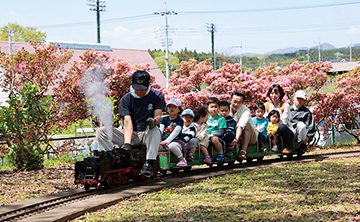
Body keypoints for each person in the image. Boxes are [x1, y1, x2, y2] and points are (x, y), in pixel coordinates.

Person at [96, 70, 165, 178]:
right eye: (136, 88)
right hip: (131, 134)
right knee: (102, 131)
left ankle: (149, 163)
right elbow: (128, 123)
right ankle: (107, 160)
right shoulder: (126, 99)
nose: (138, 91)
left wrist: (154, 121)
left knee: (155, 129)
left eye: (141, 89)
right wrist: (127, 143)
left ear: (148, 86)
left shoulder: (157, 95)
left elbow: (158, 116)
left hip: (147, 134)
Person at [264, 84, 294, 154]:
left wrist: (274, 130)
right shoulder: (266, 105)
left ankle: (288, 147)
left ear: (280, 94)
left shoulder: (285, 105)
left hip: (284, 130)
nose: (273, 95)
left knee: (282, 127)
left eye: (276, 93)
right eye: (272, 93)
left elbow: (284, 121)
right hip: (270, 129)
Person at [229, 91, 258, 160]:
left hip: (250, 136)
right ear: (230, 100)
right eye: (234, 101)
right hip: (235, 134)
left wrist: (236, 138)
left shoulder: (246, 111)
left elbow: (240, 125)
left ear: (242, 103)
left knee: (247, 124)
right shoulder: (226, 109)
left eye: (239, 102)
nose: (236, 104)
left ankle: (243, 151)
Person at [159, 98, 187, 167]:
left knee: (172, 146)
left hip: (177, 141)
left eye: (175, 107)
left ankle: (182, 159)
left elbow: (175, 132)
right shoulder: (164, 119)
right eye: (170, 107)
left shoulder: (179, 120)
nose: (172, 109)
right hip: (164, 142)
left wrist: (166, 141)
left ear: (179, 109)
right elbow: (160, 130)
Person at [207, 97, 227, 162]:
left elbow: (221, 133)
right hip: (205, 137)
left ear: (219, 108)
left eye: (215, 107)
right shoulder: (205, 118)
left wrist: (212, 135)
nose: (213, 109)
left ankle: (220, 154)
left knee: (214, 139)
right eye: (211, 107)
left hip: (217, 138)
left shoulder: (221, 119)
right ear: (208, 108)